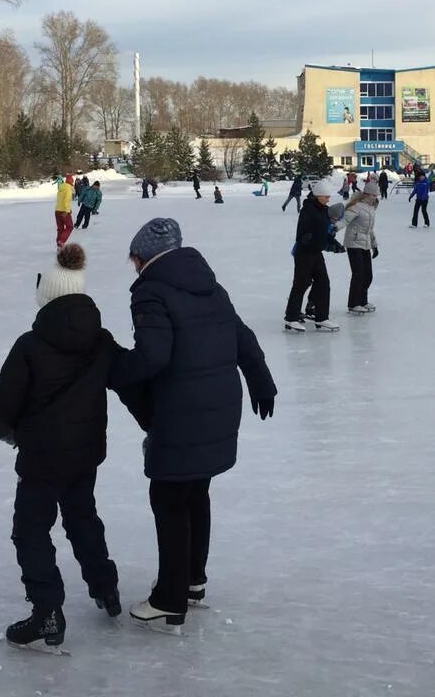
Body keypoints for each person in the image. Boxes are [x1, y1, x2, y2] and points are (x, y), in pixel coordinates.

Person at [106, 219, 277, 633]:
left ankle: (169, 598)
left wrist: (110, 368)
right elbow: (243, 337)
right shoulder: (209, 285)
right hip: (217, 404)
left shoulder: (151, 291)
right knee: (195, 490)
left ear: (141, 257)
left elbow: (152, 357)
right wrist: (261, 380)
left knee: (168, 497)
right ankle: (193, 580)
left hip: (181, 411)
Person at [0, 244, 126, 651]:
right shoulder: (101, 341)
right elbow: (131, 376)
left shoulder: (30, 345)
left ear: (46, 297)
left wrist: (6, 431)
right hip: (85, 453)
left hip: (42, 458)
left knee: (30, 530)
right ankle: (106, 589)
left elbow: (1, 405)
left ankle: (47, 610)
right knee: (82, 517)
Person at [285, 177, 343, 332]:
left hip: (316, 253)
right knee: (301, 284)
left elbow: (324, 231)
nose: (328, 199)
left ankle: (322, 318)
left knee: (323, 283)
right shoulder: (308, 210)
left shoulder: (324, 210)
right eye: (326, 196)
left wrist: (331, 242)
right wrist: (308, 239)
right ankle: (291, 318)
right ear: (317, 196)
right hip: (304, 253)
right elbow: (303, 232)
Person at [341, 183, 380, 314]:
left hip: (365, 244)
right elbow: (344, 220)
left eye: (376, 195)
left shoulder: (371, 208)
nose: (375, 197)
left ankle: (363, 300)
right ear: (367, 194)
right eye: (374, 195)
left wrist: (374, 245)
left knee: (368, 275)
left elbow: (370, 230)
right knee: (358, 274)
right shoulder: (356, 207)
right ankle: (353, 303)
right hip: (353, 243)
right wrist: (333, 228)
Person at [54, 176, 75, 249]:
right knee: (70, 227)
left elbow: (61, 201)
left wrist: (69, 209)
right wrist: (67, 210)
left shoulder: (60, 188)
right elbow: (66, 201)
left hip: (57, 210)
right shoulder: (68, 189)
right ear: (71, 182)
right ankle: (61, 241)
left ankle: (59, 244)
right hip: (64, 211)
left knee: (60, 228)